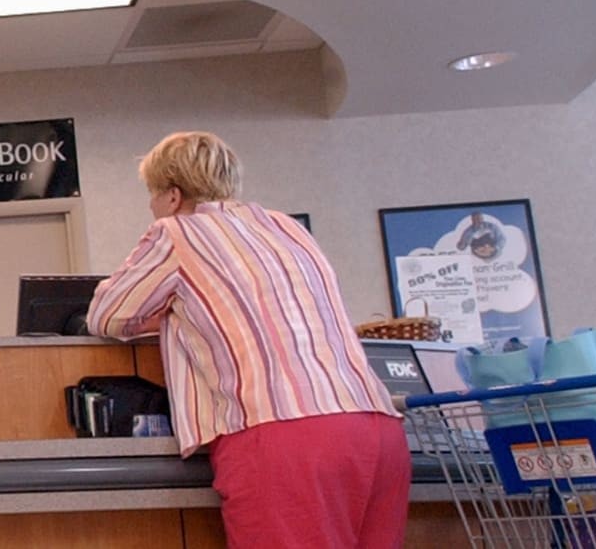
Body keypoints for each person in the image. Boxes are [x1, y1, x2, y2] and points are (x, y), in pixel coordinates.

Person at [86, 132, 409, 548]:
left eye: (151, 196)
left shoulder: (176, 233)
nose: (151, 207)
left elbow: (106, 315)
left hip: (283, 434)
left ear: (171, 195)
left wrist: (171, 313)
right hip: (376, 427)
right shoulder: (286, 227)